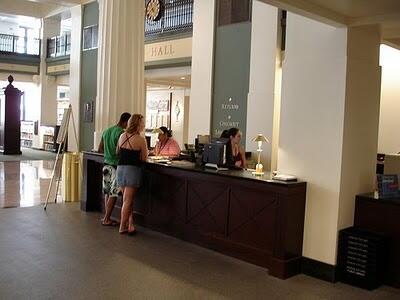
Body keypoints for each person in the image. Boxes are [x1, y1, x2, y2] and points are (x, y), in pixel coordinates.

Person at [116, 114, 148, 234]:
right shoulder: (140, 139)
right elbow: (144, 158)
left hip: (120, 169)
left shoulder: (122, 136)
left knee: (127, 200)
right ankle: (122, 227)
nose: (144, 125)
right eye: (142, 123)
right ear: (138, 124)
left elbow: (118, 151)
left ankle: (130, 224)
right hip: (132, 170)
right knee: (127, 201)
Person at [98, 112, 131, 226]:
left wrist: (108, 153)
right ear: (126, 122)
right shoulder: (121, 133)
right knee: (113, 193)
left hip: (106, 163)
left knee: (107, 192)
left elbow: (100, 148)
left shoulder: (107, 131)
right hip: (116, 165)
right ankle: (107, 219)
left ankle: (105, 217)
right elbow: (122, 150)